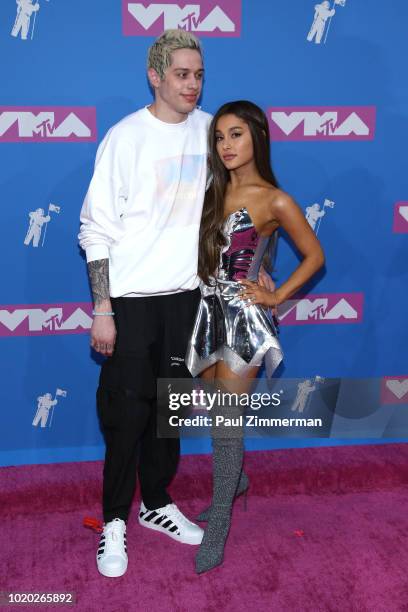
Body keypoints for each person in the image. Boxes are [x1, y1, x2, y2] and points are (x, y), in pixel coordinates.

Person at [78, 29, 211, 578]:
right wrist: (103, 307)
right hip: (130, 304)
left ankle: (157, 505)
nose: (192, 85)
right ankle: (114, 521)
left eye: (199, 75)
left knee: (169, 415)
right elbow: (95, 229)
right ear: (155, 76)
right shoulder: (125, 138)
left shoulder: (213, 132)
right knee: (126, 419)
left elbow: (236, 212)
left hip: (187, 303)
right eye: (182, 74)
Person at [185, 100, 325, 573]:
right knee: (213, 403)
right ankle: (236, 481)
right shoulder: (211, 190)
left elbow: (314, 257)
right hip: (205, 312)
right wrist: (264, 264)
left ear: (258, 138)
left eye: (236, 135)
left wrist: (275, 294)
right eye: (220, 136)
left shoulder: (275, 198)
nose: (226, 145)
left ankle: (220, 519)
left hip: (245, 318)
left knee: (226, 421)